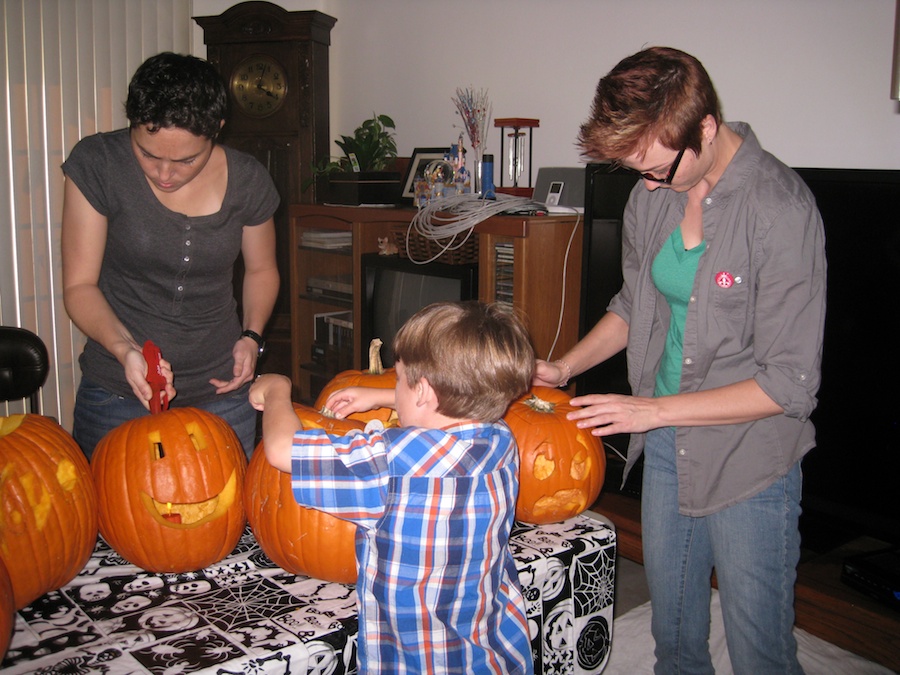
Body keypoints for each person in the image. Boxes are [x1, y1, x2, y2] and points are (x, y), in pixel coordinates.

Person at [534, 47, 826, 674]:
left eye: (657, 168)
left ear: (706, 130)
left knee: (760, 654)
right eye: (632, 168)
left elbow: (788, 385)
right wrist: (564, 367)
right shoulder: (654, 198)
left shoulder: (780, 209)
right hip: (667, 447)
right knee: (675, 640)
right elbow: (634, 306)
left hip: (750, 461)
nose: (646, 184)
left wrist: (649, 408)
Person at [250, 301, 535, 674]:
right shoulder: (500, 439)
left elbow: (281, 450)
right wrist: (382, 396)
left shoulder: (389, 463)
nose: (393, 385)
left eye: (397, 379)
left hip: (416, 660)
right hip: (490, 651)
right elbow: (448, 411)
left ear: (424, 392)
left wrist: (276, 390)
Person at [62, 52, 279, 458]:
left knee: (225, 516)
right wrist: (126, 350)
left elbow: (262, 270)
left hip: (223, 393)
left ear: (216, 129)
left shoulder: (248, 179)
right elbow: (79, 285)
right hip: (116, 393)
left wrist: (251, 336)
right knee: (112, 515)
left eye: (185, 160)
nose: (164, 173)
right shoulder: (98, 163)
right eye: (147, 153)